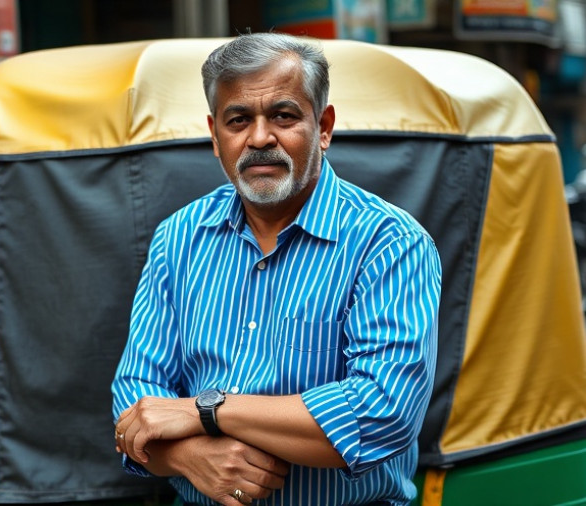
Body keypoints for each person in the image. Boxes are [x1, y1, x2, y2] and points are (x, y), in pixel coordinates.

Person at [111, 32, 442, 506]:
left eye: (283, 116)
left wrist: (208, 412)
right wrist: (187, 458)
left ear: (323, 126)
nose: (260, 137)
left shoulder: (389, 243)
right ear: (215, 135)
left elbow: (381, 414)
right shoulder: (178, 238)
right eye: (238, 119)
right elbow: (134, 399)